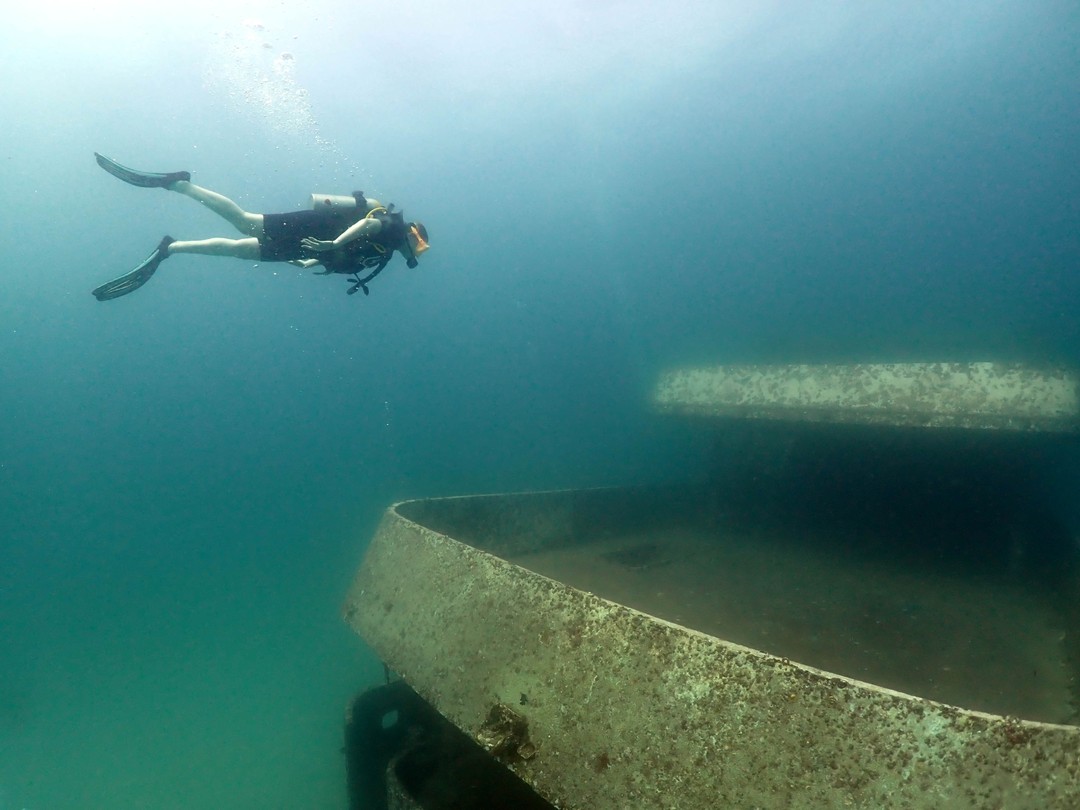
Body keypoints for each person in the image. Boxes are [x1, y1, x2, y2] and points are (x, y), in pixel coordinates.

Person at [90, 152, 430, 301]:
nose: (413, 252)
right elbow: (365, 228)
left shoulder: (382, 256)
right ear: (412, 235)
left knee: (242, 251)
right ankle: (178, 183)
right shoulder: (389, 228)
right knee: (245, 223)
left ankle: (170, 248)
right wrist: (330, 245)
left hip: (308, 246)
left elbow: (345, 257)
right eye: (416, 245)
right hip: (318, 227)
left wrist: (312, 259)